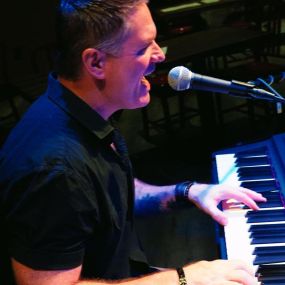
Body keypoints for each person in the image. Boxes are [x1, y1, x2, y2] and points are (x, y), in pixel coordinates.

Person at [0, 0, 267, 284]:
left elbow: (109, 194)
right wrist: (182, 279)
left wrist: (187, 192)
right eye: (142, 48)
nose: (159, 56)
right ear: (96, 62)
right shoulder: (55, 169)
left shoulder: (81, 112)